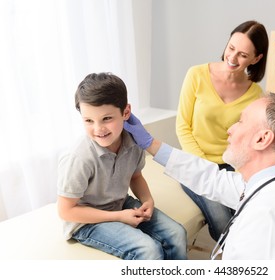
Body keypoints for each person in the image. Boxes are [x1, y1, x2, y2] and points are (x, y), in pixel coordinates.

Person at [125, 92, 275, 260]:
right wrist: (151, 144)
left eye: (241, 121)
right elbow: (213, 179)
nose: (230, 129)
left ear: (262, 139)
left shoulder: (269, 220)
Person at [57, 72, 187, 260]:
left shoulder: (134, 141)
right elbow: (66, 210)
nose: (98, 129)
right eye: (88, 121)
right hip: (85, 222)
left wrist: (147, 200)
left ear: (126, 112)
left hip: (118, 203)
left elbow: (135, 177)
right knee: (148, 250)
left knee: (177, 234)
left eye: (107, 118)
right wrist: (118, 217)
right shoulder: (79, 157)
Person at [176, 20, 269, 241]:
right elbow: (182, 127)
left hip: (233, 166)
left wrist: (239, 175)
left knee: (248, 214)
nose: (233, 58)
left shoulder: (256, 94)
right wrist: (205, 167)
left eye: (243, 55)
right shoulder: (196, 75)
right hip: (195, 163)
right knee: (221, 220)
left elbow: (248, 140)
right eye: (231, 48)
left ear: (256, 59)